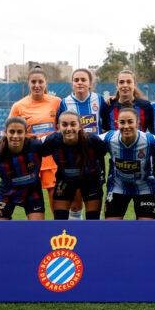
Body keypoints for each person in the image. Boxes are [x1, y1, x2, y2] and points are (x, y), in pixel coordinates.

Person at [8, 66, 61, 215]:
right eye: (33, 82)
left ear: (46, 83)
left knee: (55, 198)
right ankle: (36, 232)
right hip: (30, 159)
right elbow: (9, 132)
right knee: (32, 198)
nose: (37, 85)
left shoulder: (56, 102)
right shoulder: (18, 106)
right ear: (28, 84)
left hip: (51, 159)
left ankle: (58, 229)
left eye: (40, 81)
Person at [100, 107, 155, 220]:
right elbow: (87, 141)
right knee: (111, 229)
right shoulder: (109, 138)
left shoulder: (149, 140)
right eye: (122, 122)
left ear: (137, 123)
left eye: (130, 122)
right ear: (117, 123)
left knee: (145, 230)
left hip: (144, 186)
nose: (126, 126)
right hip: (118, 186)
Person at [39, 111, 108, 220]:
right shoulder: (52, 141)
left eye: (73, 124)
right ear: (58, 127)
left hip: (91, 180)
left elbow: (103, 153)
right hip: (65, 180)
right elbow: (36, 151)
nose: (69, 128)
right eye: (64, 125)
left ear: (80, 126)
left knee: (93, 219)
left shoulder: (92, 141)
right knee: (60, 219)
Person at [57, 68, 106, 219]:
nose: (80, 83)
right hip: (72, 157)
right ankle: (76, 229)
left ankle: (91, 231)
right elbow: (59, 128)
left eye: (83, 80)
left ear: (90, 83)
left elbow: (108, 125)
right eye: (76, 80)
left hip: (94, 157)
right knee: (75, 201)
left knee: (93, 196)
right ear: (72, 84)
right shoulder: (65, 103)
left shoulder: (99, 100)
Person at [0, 117, 45, 220]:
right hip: (6, 194)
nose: (15, 136)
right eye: (12, 132)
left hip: (32, 193)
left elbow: (56, 143)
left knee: (37, 228)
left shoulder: (36, 146)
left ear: (26, 132)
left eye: (19, 132)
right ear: (5, 132)